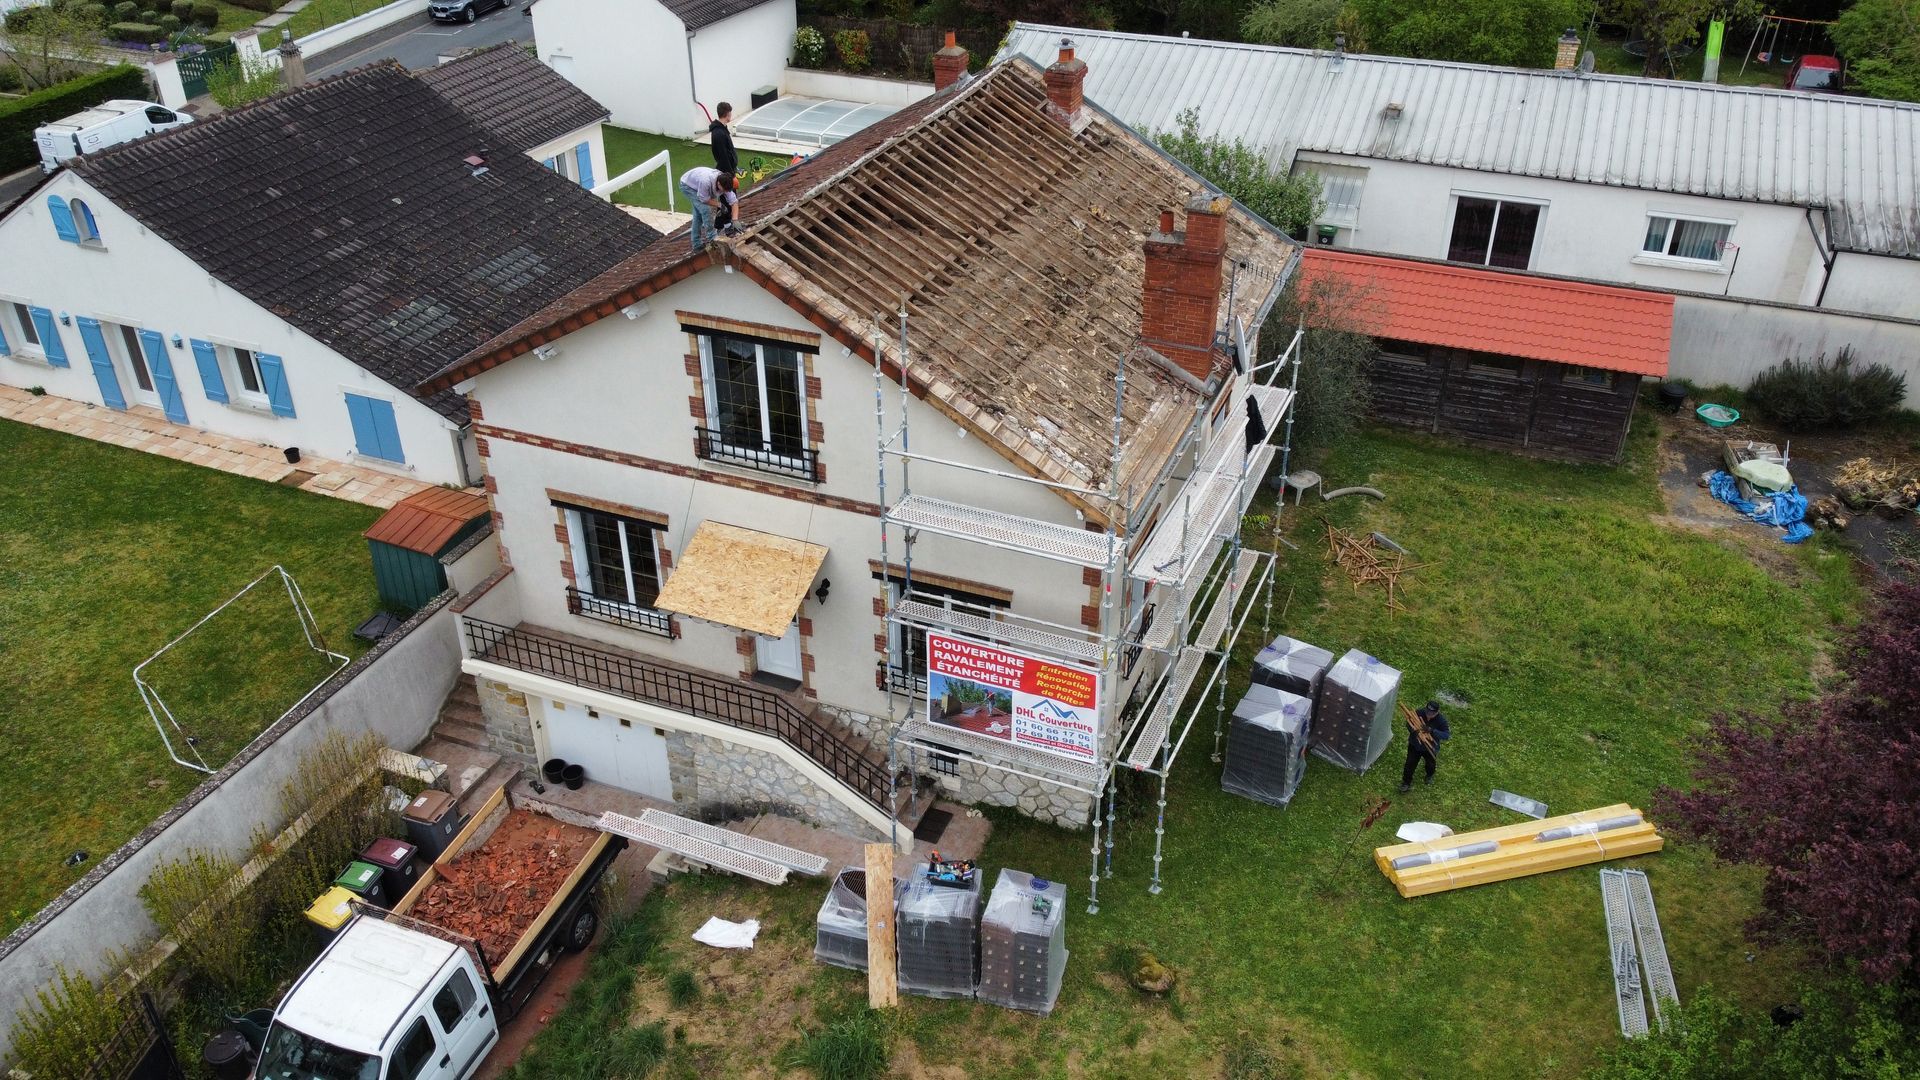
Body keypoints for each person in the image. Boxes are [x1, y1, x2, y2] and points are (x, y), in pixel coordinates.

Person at [677, 166, 736, 251]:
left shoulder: (725, 181)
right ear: (719, 184)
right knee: (706, 210)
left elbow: (734, 202)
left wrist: (735, 220)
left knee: (698, 215)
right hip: (687, 186)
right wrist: (720, 205)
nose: (724, 192)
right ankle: (712, 238)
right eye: (723, 190)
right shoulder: (706, 181)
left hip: (698, 184)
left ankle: (696, 244)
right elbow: (704, 199)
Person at [1399, 700, 1451, 792]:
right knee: (1410, 764)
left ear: (1437, 712)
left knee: (1430, 764)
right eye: (1427, 711)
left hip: (1430, 746)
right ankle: (1406, 782)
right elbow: (1408, 723)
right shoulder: (1419, 713)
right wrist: (1414, 730)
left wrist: (1432, 730)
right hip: (1415, 745)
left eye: (1432, 713)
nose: (1428, 714)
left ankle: (1429, 775)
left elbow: (1446, 735)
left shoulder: (1441, 720)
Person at [709, 103, 737, 175]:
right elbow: (723, 155)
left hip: (729, 169)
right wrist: (730, 173)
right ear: (727, 114)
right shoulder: (719, 133)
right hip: (726, 172)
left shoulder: (723, 128)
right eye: (730, 112)